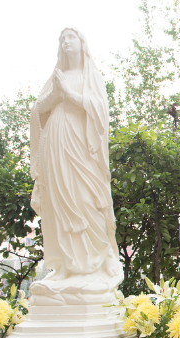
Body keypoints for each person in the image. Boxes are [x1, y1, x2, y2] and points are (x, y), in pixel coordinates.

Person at [28, 28, 121, 303]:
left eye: (71, 37)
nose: (66, 42)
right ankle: (66, 267)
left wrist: (68, 94)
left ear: (82, 43)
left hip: (82, 147)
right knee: (59, 201)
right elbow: (39, 111)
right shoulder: (56, 76)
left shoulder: (92, 75)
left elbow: (100, 110)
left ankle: (95, 263)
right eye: (62, 39)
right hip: (55, 146)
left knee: (85, 200)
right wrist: (56, 94)